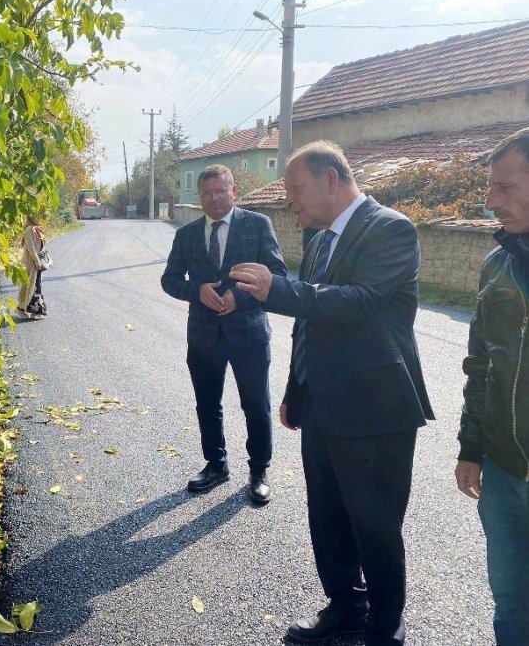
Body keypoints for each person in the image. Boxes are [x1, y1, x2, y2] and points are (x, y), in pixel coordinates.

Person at [231, 141, 434, 646]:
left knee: (375, 527)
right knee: (326, 517)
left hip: (376, 408)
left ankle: (385, 630)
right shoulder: (320, 237)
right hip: (322, 402)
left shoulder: (390, 228)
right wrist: (296, 390)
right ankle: (345, 609)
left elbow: (361, 302)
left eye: (296, 189)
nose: (289, 202)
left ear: (330, 180)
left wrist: (276, 289)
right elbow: (312, 321)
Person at [161, 164, 287, 503]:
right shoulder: (185, 235)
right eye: (207, 193)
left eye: (221, 190)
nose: (215, 198)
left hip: (249, 333)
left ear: (234, 190)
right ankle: (216, 465)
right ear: (199, 197)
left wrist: (240, 296)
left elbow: (277, 273)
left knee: (256, 405)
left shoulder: (258, 226)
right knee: (207, 404)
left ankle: (259, 471)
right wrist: (196, 290)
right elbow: (169, 280)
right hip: (203, 335)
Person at [456, 127, 529, 646]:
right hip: (504, 473)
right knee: (511, 605)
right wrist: (471, 448)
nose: (489, 200)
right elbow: (480, 364)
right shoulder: (495, 264)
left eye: (504, 187)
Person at [17, 216, 48, 320]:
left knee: (36, 285)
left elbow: (40, 245)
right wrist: (37, 261)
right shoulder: (30, 229)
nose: (38, 217)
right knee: (29, 286)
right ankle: (21, 309)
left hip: (36, 262)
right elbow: (31, 247)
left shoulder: (37, 228)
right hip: (31, 263)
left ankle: (36, 311)